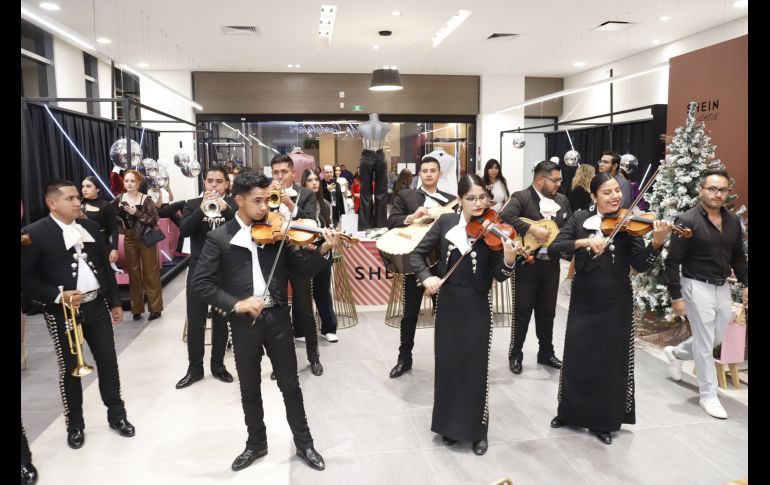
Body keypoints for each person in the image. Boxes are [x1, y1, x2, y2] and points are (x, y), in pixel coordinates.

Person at [191, 170, 341, 472]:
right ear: (239, 200)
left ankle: (305, 443)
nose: (264, 208)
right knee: (249, 388)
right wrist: (237, 303)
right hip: (244, 323)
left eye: (266, 200)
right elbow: (201, 283)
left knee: (291, 385)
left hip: (277, 318)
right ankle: (256, 443)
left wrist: (323, 250)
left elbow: (299, 272)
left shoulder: (275, 233)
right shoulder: (220, 238)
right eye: (257, 201)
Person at [548, 173, 672, 444]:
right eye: (607, 192)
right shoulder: (580, 219)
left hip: (616, 302)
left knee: (609, 362)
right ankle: (570, 412)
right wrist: (583, 242)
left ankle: (603, 420)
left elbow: (641, 264)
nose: (615, 196)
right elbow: (555, 247)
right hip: (584, 300)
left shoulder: (631, 222)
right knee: (578, 357)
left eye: (617, 190)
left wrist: (657, 242)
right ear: (594, 196)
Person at [21, 180, 136, 450]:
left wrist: (115, 302)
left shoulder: (90, 227)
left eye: (77, 198)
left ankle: (117, 416)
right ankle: (75, 424)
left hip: (96, 305)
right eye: (71, 198)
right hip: (62, 311)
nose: (78, 202)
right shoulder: (34, 233)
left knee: (108, 362)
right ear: (52, 203)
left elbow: (105, 270)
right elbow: (26, 278)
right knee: (71, 368)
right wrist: (58, 296)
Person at [412, 173, 517, 455]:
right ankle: (449, 426)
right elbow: (416, 255)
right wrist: (426, 278)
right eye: (471, 198)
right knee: (448, 367)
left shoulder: (494, 229)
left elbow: (500, 275)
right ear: (460, 200)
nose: (478, 203)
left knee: (475, 368)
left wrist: (508, 259)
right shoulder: (446, 223)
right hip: (448, 308)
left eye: (482, 196)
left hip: (477, 307)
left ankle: (477, 431)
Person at [663, 168, 748, 419]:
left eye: (722, 189)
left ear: (728, 192)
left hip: (722, 286)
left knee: (716, 338)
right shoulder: (687, 220)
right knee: (704, 344)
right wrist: (676, 296)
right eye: (712, 188)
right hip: (695, 285)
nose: (717, 194)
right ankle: (708, 396)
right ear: (701, 190)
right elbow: (672, 261)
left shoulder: (733, 222)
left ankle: (676, 353)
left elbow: (739, 258)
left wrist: (746, 283)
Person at [387, 157, 456, 378]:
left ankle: (446, 360)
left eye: (432, 171)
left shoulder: (452, 201)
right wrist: (412, 216)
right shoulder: (407, 195)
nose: (428, 174)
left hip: (443, 263)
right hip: (415, 263)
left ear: (439, 174)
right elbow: (391, 221)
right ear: (420, 173)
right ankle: (404, 359)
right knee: (409, 314)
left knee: (444, 314)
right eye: (424, 171)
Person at [500, 160, 572, 375]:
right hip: (526, 264)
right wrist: (532, 229)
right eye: (555, 180)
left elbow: (568, 226)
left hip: (551, 264)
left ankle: (546, 353)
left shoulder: (562, 200)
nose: (559, 183)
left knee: (548, 311)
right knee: (522, 312)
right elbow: (505, 217)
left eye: (560, 179)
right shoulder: (521, 197)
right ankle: (516, 354)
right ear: (541, 180)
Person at [175, 165, 236, 389]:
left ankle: (218, 366)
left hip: (224, 272)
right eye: (210, 181)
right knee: (196, 322)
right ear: (204, 183)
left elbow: (240, 230)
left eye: (218, 181)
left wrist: (226, 209)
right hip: (199, 272)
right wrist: (202, 209)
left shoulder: (234, 206)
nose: (213, 185)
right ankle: (195, 369)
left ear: (227, 184)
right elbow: (185, 231)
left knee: (221, 321)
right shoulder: (192, 204)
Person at [271, 155, 325, 376]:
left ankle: (313, 357)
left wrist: (289, 203)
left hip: (299, 257)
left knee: (305, 310)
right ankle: (281, 362)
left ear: (293, 173)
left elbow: (310, 224)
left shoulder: (307, 195)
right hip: (274, 257)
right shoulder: (266, 194)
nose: (280, 176)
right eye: (276, 172)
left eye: (284, 172)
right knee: (278, 311)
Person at [112, 170, 164, 321]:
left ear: (139, 183)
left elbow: (154, 219)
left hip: (146, 238)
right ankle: (137, 309)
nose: (129, 184)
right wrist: (120, 221)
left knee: (150, 273)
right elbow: (110, 217)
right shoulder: (118, 200)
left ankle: (155, 308)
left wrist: (137, 213)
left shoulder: (146, 199)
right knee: (133, 275)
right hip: (129, 239)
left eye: (132, 181)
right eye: (126, 181)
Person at [301, 168, 340, 342]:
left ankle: (328, 328)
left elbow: (329, 225)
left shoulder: (324, 203)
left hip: (323, 248)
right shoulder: (298, 204)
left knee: (323, 290)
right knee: (302, 291)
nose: (315, 183)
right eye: (310, 180)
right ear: (303, 184)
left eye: (316, 179)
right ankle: (301, 330)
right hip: (303, 249)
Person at [561, 164, 595, 295]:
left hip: (584, 223)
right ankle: (568, 281)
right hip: (582, 225)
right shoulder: (579, 191)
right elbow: (578, 210)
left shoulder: (580, 189)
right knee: (579, 254)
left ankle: (570, 281)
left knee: (580, 254)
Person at [357, 113, 390, 229]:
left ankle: (365, 226)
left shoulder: (361, 126)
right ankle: (381, 225)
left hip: (367, 155)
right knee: (381, 192)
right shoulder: (385, 126)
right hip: (380, 156)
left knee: (365, 192)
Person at [80, 176, 119, 264]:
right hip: (82, 247)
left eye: (88, 186)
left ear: (97, 189)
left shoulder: (106, 205)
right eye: (83, 186)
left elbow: (114, 229)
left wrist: (114, 249)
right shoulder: (79, 205)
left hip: (101, 246)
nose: (84, 189)